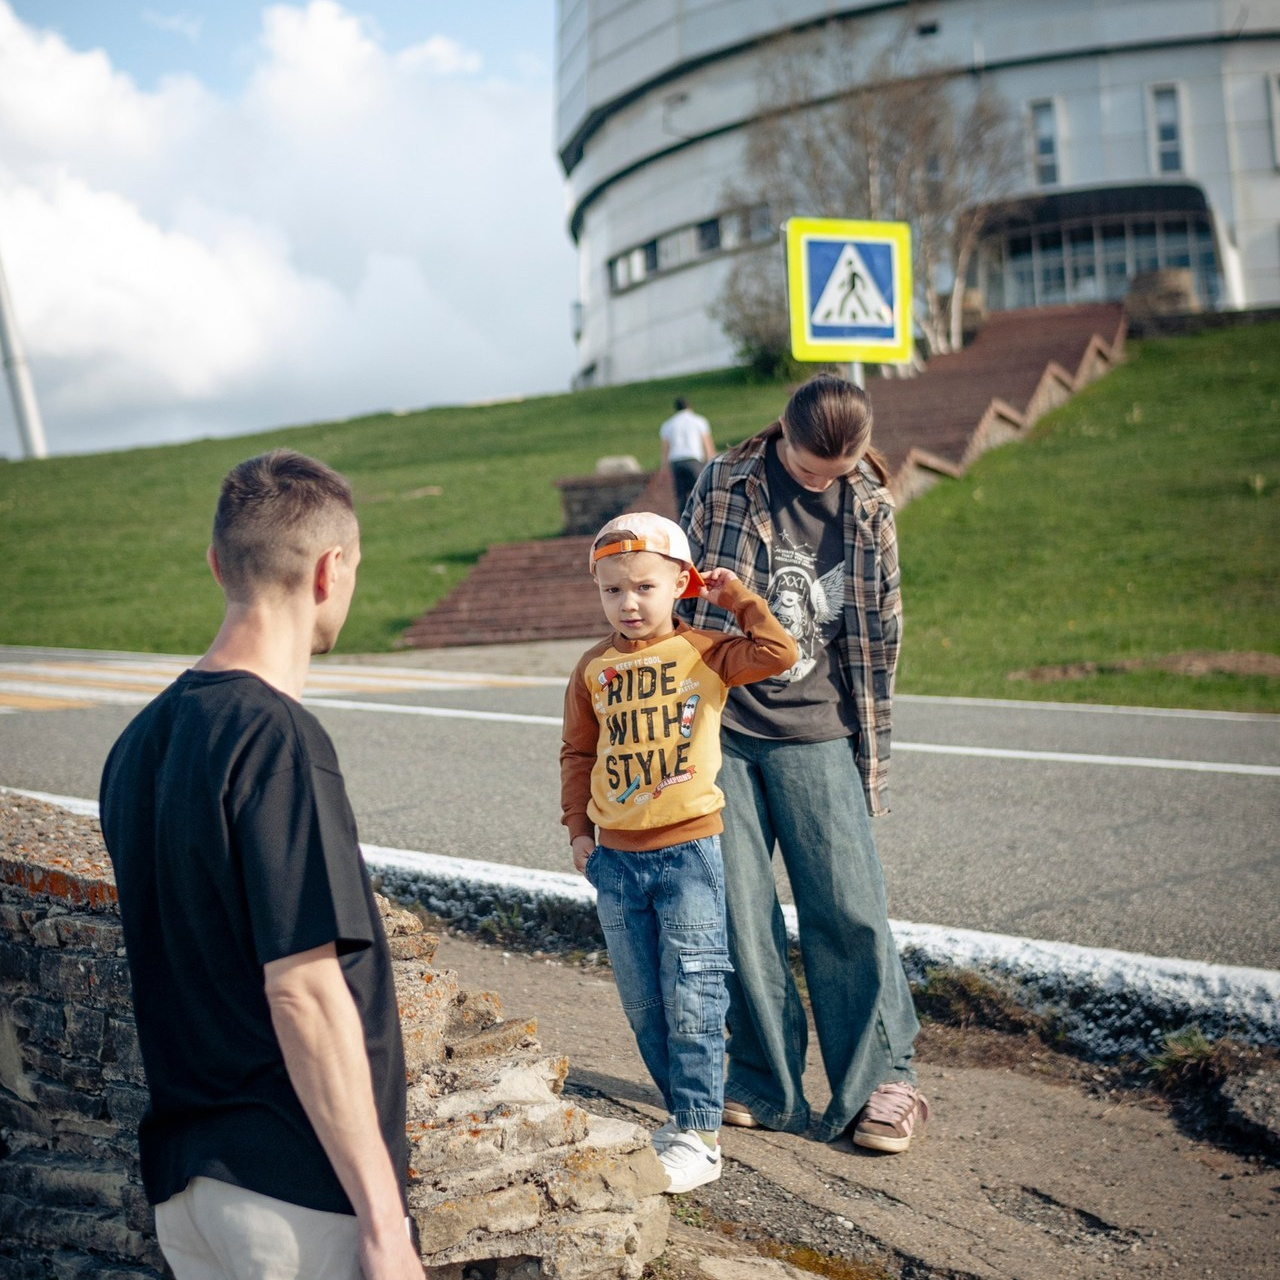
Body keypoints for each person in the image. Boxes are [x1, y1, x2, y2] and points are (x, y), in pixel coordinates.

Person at [99, 449, 424, 1280]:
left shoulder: (137, 745)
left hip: (187, 1194)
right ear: (330, 571)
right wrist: (385, 1224)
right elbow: (304, 990)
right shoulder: (278, 740)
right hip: (295, 1196)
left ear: (217, 565)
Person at [677, 374, 928, 1155]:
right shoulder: (724, 481)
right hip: (727, 724)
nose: (822, 481)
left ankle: (884, 1084)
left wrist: (867, 746)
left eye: (838, 470)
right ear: (782, 434)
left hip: (819, 726)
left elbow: (879, 636)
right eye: (810, 467)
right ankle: (760, 1080)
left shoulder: (869, 509)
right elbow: (685, 603)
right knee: (738, 912)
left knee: (847, 906)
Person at [560, 512, 797, 1193]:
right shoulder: (594, 668)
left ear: (680, 585)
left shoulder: (706, 650)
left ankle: (699, 1132)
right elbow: (579, 751)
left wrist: (738, 599)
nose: (628, 603)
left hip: (690, 852)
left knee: (693, 992)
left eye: (644, 587)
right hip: (615, 861)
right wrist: (579, 830)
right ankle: (681, 1118)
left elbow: (779, 654)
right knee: (645, 1002)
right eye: (612, 591)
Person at [659, 396, 715, 519]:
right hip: (693, 460)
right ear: (689, 406)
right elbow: (707, 443)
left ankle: (684, 523)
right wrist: (711, 461)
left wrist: (664, 468)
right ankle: (703, 518)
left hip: (676, 462)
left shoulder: (668, 424)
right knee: (700, 491)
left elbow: (666, 448)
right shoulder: (699, 421)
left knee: (681, 495)